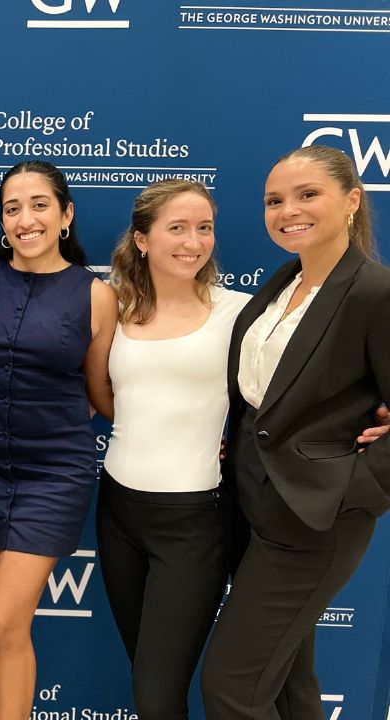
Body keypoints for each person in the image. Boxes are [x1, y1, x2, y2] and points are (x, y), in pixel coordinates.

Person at [201, 145, 390, 720]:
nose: (288, 211)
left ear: (352, 201)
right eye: (274, 201)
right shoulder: (283, 283)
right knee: (287, 683)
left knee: (231, 688)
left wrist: (354, 486)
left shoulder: (374, 292)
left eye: (308, 195)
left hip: (314, 520)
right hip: (255, 508)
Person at [0, 160, 117, 720]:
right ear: (2, 220)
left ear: (66, 214)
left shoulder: (97, 296)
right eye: (13, 207)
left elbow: (101, 394)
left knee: (3, 618)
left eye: (40, 205)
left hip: (54, 476)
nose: (26, 219)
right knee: (0, 623)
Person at [97, 180, 249, 720]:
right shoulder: (113, 308)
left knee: (157, 698)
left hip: (193, 522)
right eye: (177, 228)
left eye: (204, 228)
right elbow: (99, 390)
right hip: (117, 513)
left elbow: (299, 386)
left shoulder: (241, 313)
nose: (193, 241)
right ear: (142, 239)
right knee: (148, 681)